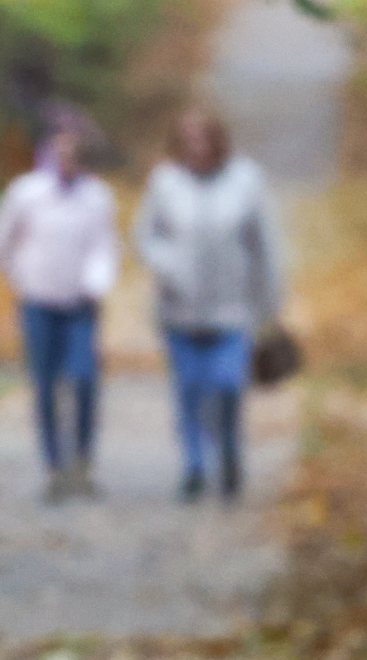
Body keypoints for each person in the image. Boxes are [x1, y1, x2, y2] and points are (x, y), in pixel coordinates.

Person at [133, 107, 284, 503]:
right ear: (178, 145)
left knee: (229, 386)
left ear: (218, 141)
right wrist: (167, 265)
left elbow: (264, 245)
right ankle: (195, 466)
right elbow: (144, 236)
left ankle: (230, 454)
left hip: (233, 309)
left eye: (203, 139)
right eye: (188, 140)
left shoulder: (246, 180)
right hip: (179, 311)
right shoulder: (164, 182)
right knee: (189, 392)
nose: (196, 147)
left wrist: (271, 302)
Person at [0, 130, 119, 501]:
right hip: (38, 302)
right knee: (44, 384)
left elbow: (104, 246)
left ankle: (83, 460)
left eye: (74, 153)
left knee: (84, 378)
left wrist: (97, 281)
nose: (67, 160)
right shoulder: (26, 193)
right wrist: (20, 276)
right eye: (60, 153)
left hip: (80, 305)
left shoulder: (96, 196)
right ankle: (54, 466)